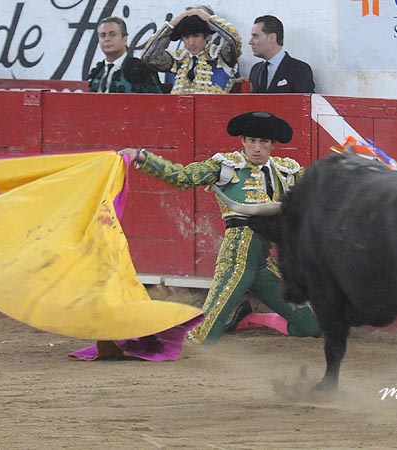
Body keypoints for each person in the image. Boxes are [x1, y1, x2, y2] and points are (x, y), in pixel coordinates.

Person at [118, 111, 321, 344]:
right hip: (236, 263)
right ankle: (146, 332)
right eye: (251, 141)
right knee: (203, 338)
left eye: (263, 142)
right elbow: (182, 176)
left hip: (262, 265)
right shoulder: (226, 166)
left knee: (312, 326)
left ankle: (250, 319)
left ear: (272, 145)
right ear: (243, 141)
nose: (256, 147)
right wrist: (143, 158)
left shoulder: (286, 171)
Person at [141, 6, 241, 94]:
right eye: (186, 37)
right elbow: (149, 56)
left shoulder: (220, 56)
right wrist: (172, 24)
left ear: (207, 36)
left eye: (196, 36)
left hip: (215, 113)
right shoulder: (177, 59)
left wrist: (209, 19)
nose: (191, 42)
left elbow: (234, 40)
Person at [88, 16, 162, 93]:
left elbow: (157, 102)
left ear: (125, 39)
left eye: (112, 34)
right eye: (102, 35)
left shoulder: (141, 69)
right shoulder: (97, 71)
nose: (107, 39)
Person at [248, 15, 315, 94]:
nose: (250, 42)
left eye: (255, 36)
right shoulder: (255, 70)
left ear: (272, 37)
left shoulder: (299, 70)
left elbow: (305, 103)